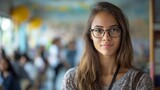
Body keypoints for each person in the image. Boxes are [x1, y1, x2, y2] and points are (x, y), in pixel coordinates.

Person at [61, 2, 154, 90]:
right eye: (98, 30)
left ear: (122, 34)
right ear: (90, 35)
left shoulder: (140, 81)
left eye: (113, 29)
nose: (106, 37)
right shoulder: (72, 78)